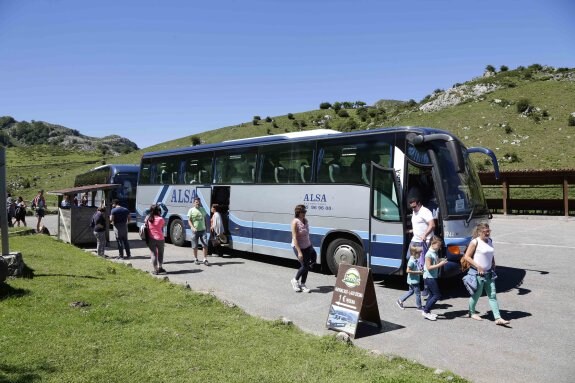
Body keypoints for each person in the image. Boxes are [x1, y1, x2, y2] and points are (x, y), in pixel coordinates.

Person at [462, 222, 510, 326]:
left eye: (489, 231)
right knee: (476, 295)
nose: (487, 233)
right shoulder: (475, 242)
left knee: (492, 295)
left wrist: (493, 262)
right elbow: (467, 256)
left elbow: (490, 254)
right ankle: (472, 312)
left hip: (489, 272)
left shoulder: (490, 241)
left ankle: (498, 318)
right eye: (485, 232)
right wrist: (478, 266)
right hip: (477, 273)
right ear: (479, 232)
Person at [290, 204, 316, 293]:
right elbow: (294, 238)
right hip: (298, 246)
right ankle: (295, 280)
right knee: (304, 266)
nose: (305, 213)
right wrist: (299, 252)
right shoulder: (295, 222)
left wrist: (311, 246)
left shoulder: (305, 220)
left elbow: (306, 235)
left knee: (307, 266)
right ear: (298, 212)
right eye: (303, 212)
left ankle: (303, 284)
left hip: (307, 246)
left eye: (305, 211)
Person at [421, 236, 448, 321]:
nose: (439, 248)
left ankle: (427, 311)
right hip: (429, 277)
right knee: (437, 295)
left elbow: (435, 261)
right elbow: (429, 267)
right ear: (433, 244)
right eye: (438, 245)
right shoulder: (428, 254)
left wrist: (440, 260)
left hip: (432, 276)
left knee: (432, 295)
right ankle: (425, 311)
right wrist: (441, 264)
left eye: (440, 246)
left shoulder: (434, 252)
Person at [396, 245, 424, 311]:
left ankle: (400, 300)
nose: (420, 254)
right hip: (414, 281)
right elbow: (407, 271)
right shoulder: (411, 261)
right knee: (418, 294)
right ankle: (419, 307)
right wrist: (418, 272)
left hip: (412, 280)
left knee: (411, 292)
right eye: (419, 253)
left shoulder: (414, 259)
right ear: (415, 253)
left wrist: (420, 269)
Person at [188, 198, 209, 266]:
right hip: (195, 231)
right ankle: (195, 258)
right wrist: (192, 227)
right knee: (195, 246)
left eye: (199, 202)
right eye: (196, 202)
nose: (198, 203)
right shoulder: (191, 210)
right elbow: (189, 220)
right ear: (194, 203)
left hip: (203, 230)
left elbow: (205, 219)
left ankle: (205, 259)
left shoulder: (202, 209)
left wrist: (206, 227)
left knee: (205, 244)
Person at [146, 204, 166, 275]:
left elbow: (146, 226)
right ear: (158, 211)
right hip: (160, 238)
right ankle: (160, 267)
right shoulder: (160, 219)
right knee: (161, 254)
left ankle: (155, 270)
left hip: (151, 238)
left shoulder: (148, 218)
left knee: (154, 254)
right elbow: (164, 225)